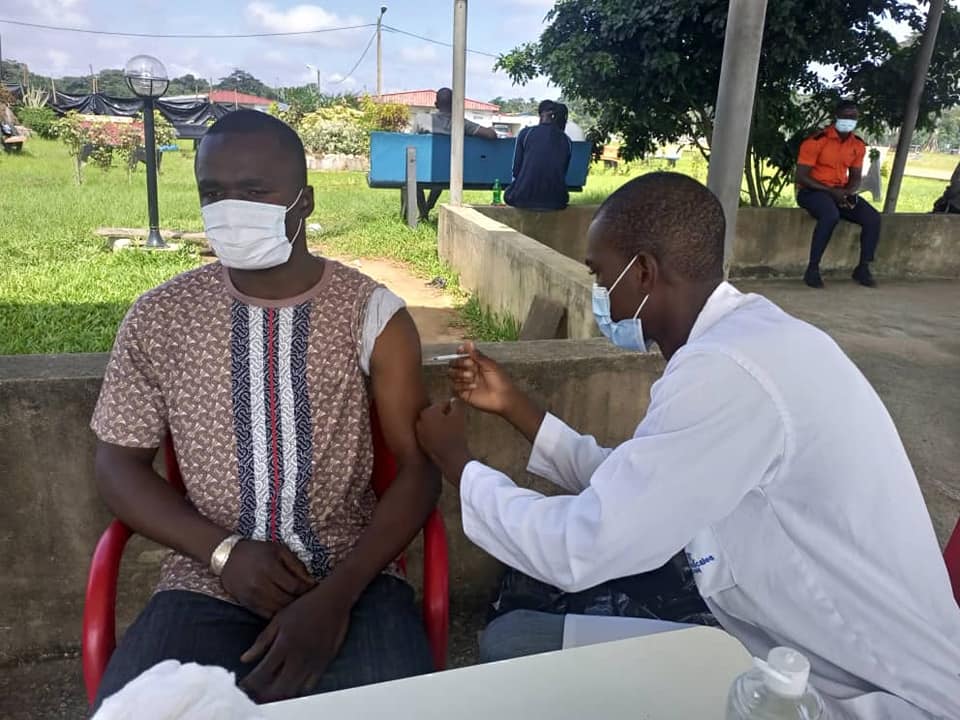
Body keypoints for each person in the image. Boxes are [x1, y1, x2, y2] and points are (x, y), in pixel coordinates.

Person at [416, 173, 960, 720]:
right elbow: (639, 484)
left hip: (871, 698)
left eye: (600, 275)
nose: (599, 294)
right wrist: (515, 406)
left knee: (517, 648)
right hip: (783, 655)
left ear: (644, 272)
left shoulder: (729, 372)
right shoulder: (748, 340)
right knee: (514, 641)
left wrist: (457, 462)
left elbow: (580, 546)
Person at [91, 110, 440, 708]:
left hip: (353, 576)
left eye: (254, 192)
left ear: (304, 201)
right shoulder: (159, 317)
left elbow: (419, 469)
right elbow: (117, 464)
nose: (231, 209)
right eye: (213, 193)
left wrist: (336, 598)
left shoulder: (373, 316)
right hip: (205, 578)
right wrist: (223, 553)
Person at [796, 100, 881, 289]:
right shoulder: (816, 141)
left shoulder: (857, 145)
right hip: (812, 191)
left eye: (853, 116)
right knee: (830, 215)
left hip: (839, 192)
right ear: (836, 116)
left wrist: (847, 193)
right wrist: (831, 192)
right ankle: (812, 269)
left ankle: (863, 267)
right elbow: (801, 176)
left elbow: (856, 177)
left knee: (872, 218)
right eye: (846, 115)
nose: (849, 120)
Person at [411, 87, 498, 219]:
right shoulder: (461, 123)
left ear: (436, 104)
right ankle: (427, 208)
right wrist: (491, 128)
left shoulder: (421, 120)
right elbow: (491, 135)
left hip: (423, 170)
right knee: (443, 169)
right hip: (450, 172)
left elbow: (410, 141)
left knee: (416, 174)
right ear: (454, 104)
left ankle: (423, 211)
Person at [503, 100, 572, 212]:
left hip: (523, 199)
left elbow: (516, 171)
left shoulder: (526, 134)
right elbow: (562, 173)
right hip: (557, 201)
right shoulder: (566, 140)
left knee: (508, 193)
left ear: (541, 114)